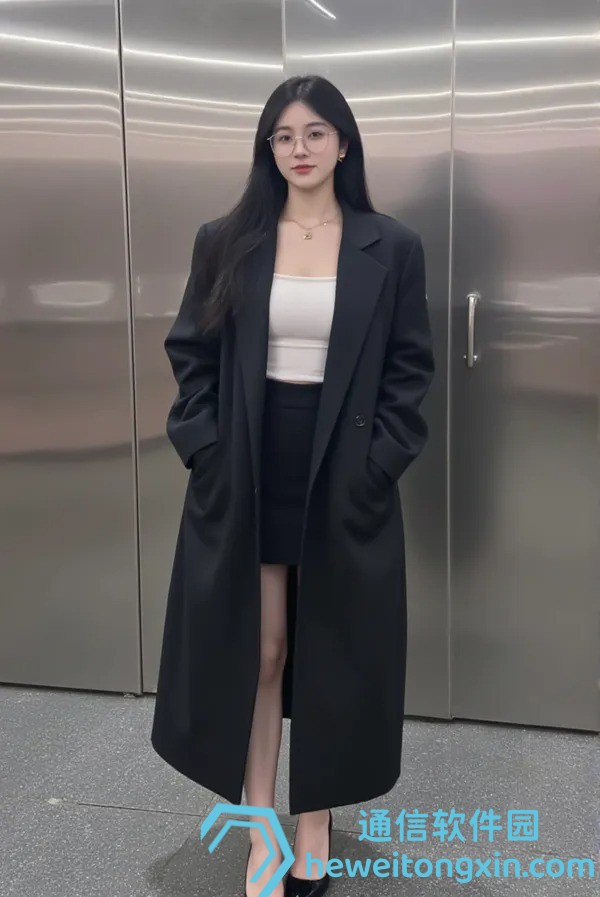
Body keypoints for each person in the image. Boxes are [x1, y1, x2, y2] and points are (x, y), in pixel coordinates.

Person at [151, 74, 435, 897]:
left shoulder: (390, 245)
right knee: (262, 647)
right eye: (283, 135)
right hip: (248, 463)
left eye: (315, 133)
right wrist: (204, 448)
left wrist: (382, 462)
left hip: (345, 465)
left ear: (344, 144)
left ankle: (315, 820)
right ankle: (261, 827)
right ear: (267, 148)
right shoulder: (227, 239)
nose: (299, 149)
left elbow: (409, 371)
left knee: (331, 650)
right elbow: (191, 353)